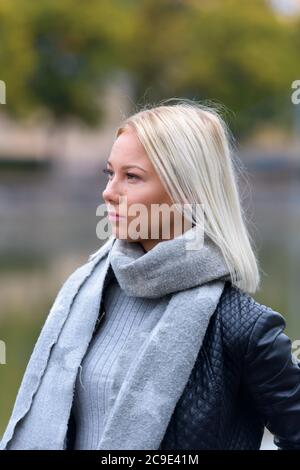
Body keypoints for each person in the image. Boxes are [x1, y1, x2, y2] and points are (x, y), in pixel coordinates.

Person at [1, 98, 300, 450]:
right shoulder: (85, 294)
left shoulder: (243, 327)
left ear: (187, 192)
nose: (109, 192)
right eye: (109, 173)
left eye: (132, 177)